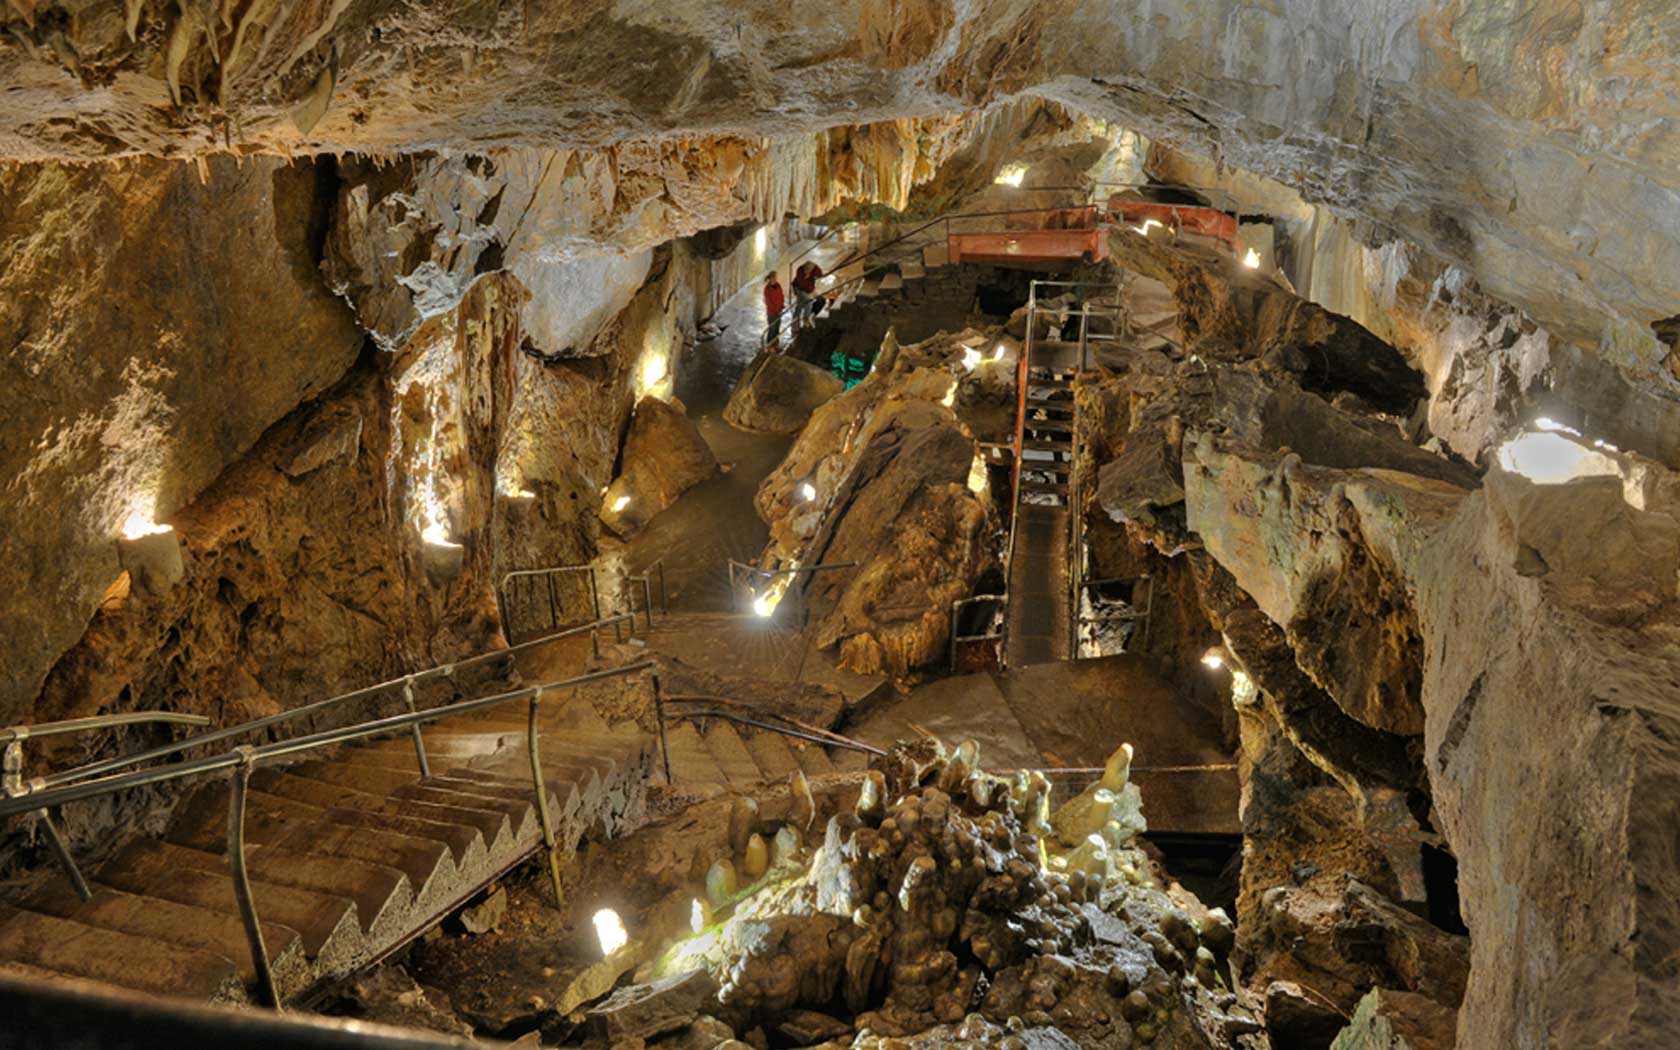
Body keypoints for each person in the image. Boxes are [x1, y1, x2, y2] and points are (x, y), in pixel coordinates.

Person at [791, 261, 824, 329]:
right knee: (809, 302)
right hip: (799, 288)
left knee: (799, 306)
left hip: (808, 289)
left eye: (809, 270)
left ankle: (795, 323)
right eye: (806, 270)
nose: (807, 272)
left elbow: (820, 274)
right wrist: (811, 292)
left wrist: (812, 272)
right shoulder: (799, 270)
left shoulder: (814, 269)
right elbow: (802, 285)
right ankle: (805, 319)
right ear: (804, 268)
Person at [763, 272, 785, 347]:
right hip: (772, 313)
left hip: (779, 311)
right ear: (771, 278)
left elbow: (781, 296)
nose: (776, 279)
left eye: (776, 277)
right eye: (774, 277)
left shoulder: (778, 285)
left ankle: (775, 344)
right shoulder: (767, 289)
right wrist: (776, 311)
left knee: (777, 328)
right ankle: (769, 345)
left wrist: (781, 307)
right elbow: (768, 302)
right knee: (772, 329)